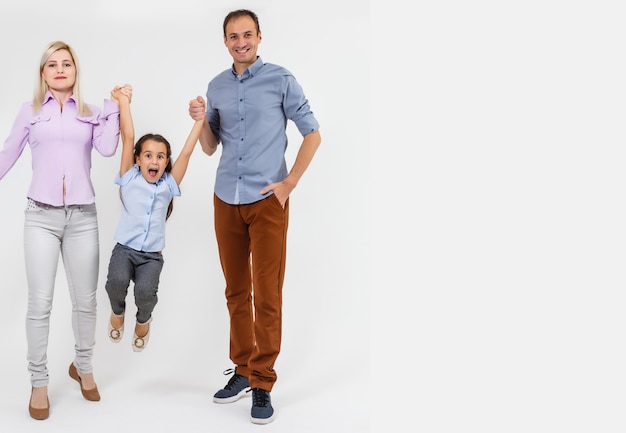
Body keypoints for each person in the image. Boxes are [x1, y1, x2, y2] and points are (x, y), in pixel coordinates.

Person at [188, 9, 321, 425]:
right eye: (233, 36)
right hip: (226, 197)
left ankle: (263, 382)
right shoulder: (217, 86)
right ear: (225, 41)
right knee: (235, 290)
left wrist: (289, 183)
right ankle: (242, 370)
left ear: (259, 37)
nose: (240, 41)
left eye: (247, 34)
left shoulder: (281, 80)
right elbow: (210, 146)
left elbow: (312, 132)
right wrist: (199, 119)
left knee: (267, 294)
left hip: (269, 201)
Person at [0, 41, 123, 420]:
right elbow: (7, 153)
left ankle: (83, 367)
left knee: (86, 301)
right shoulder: (30, 112)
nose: (59, 69)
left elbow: (106, 149)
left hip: (83, 217)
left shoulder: (90, 112)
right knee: (40, 303)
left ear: (75, 71)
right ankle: (39, 382)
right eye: (51, 64)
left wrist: (116, 107)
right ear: (42, 73)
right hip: (41, 216)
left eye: (66, 63)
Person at [104, 85, 203, 353]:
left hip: (151, 257)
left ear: (165, 161)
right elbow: (128, 136)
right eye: (148, 155)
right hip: (124, 250)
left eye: (160, 156)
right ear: (138, 160)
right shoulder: (129, 177)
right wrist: (124, 101)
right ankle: (117, 313)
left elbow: (186, 153)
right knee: (115, 284)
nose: (154, 161)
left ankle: (143, 320)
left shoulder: (168, 185)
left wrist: (200, 122)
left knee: (146, 294)